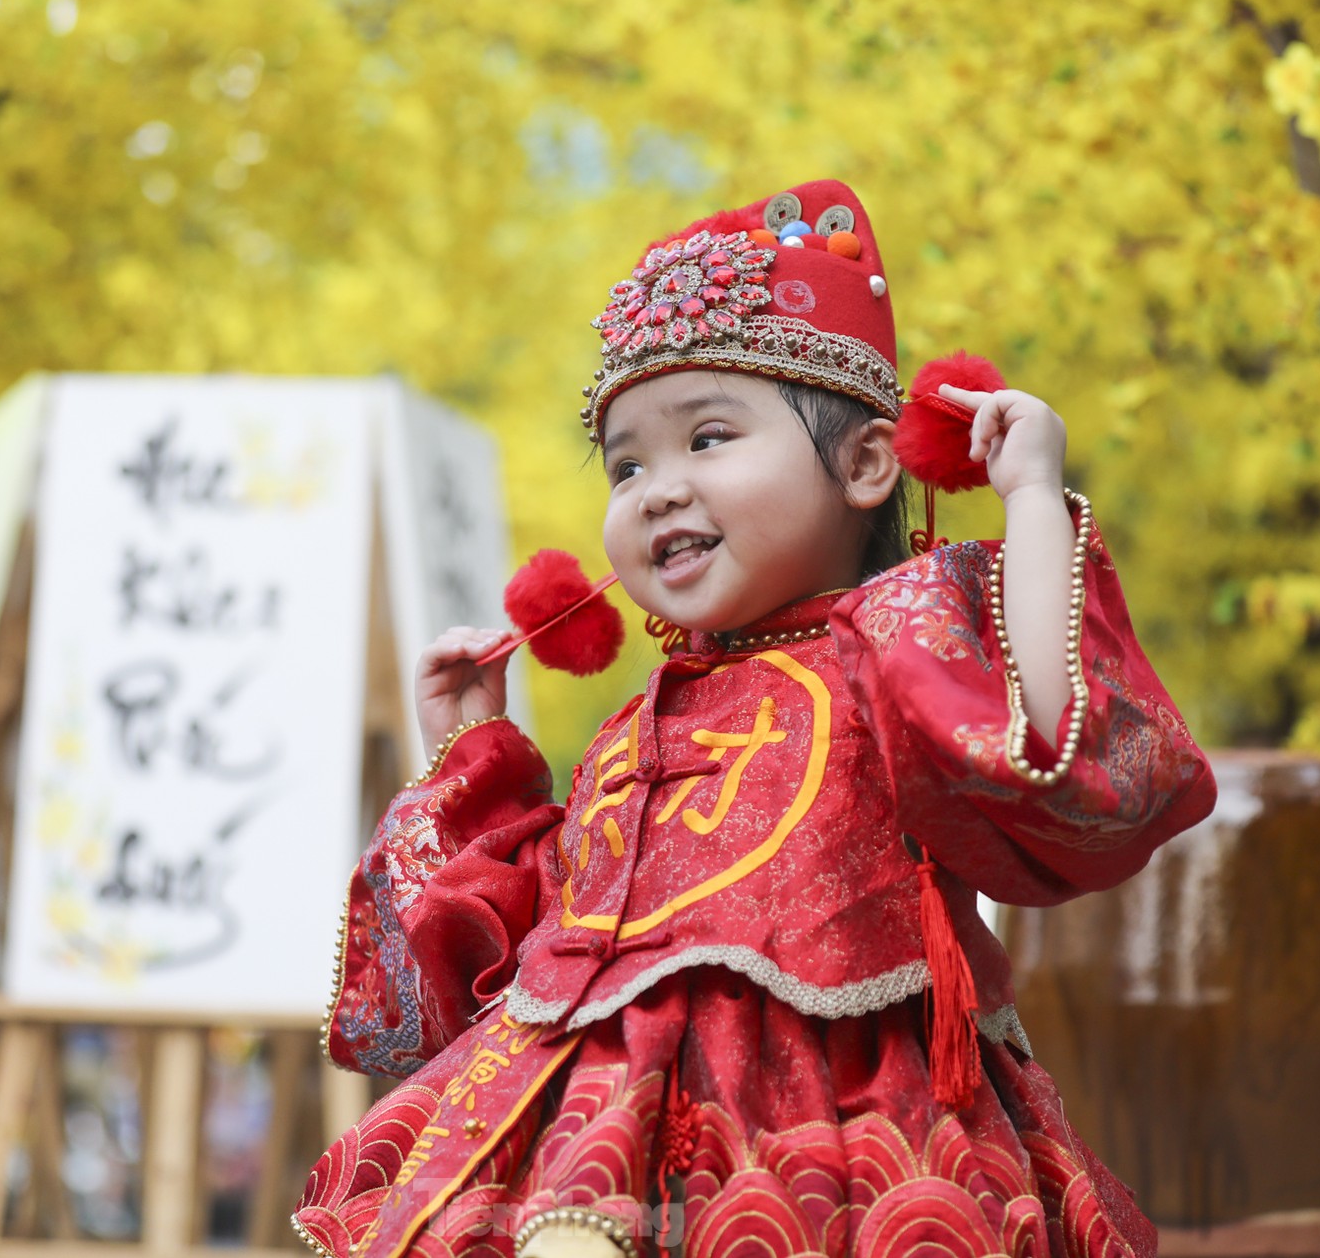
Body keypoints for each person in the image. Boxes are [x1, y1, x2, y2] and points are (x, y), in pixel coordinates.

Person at [295, 180, 1216, 1258]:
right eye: (627, 462)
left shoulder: (900, 653)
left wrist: (1029, 499)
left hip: (854, 1132)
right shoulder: (629, 732)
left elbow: (1050, 743)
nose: (655, 489)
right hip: (600, 1131)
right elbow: (508, 964)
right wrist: (467, 752)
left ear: (868, 463)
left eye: (709, 436)